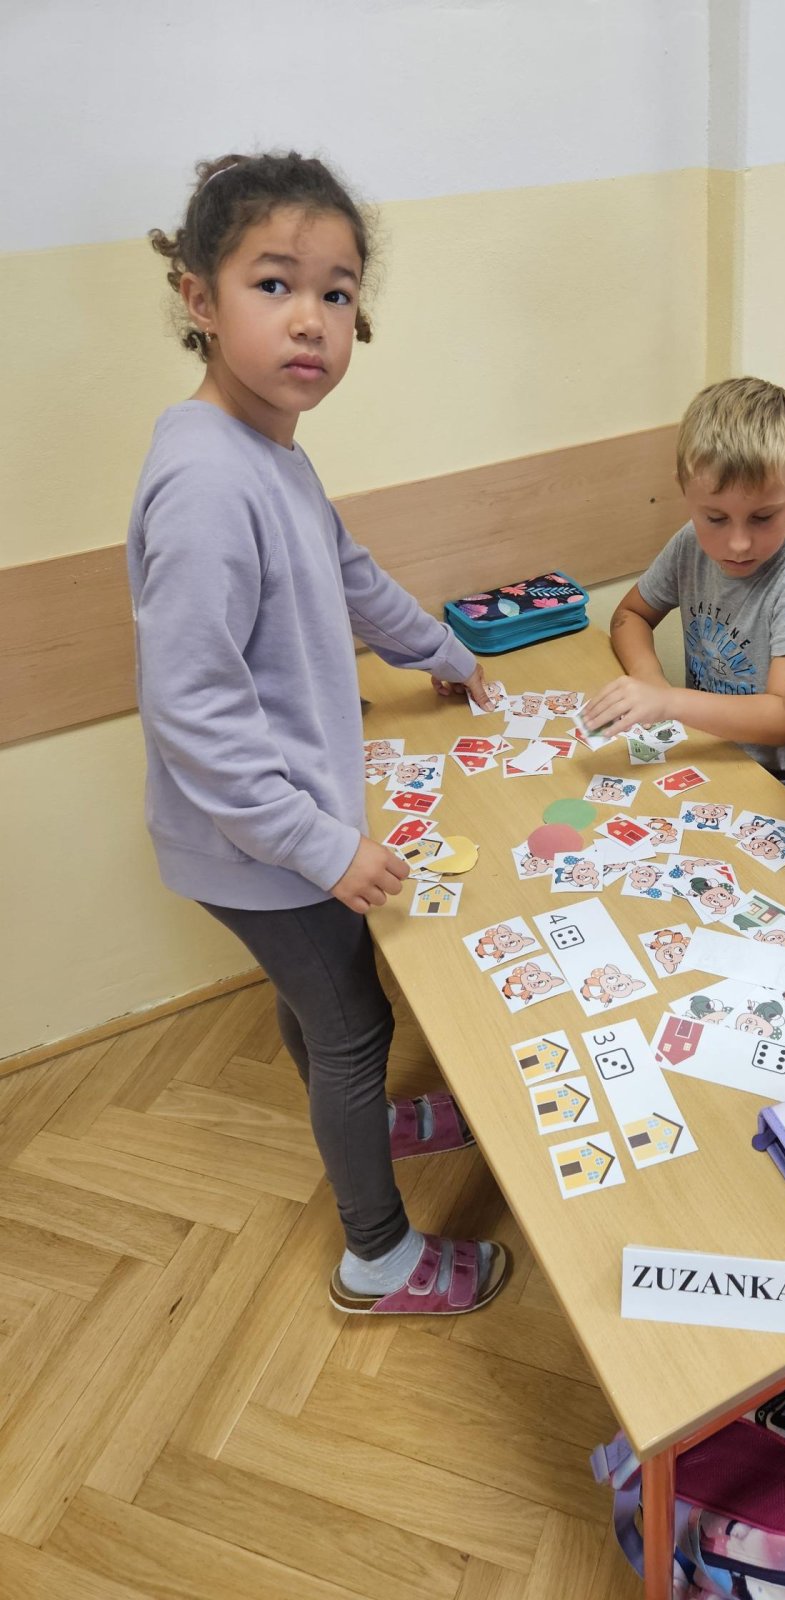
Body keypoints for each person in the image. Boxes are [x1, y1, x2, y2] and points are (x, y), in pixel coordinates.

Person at [128, 151, 508, 1317]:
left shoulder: (268, 448)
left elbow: (349, 573)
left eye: (336, 293)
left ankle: (371, 1126)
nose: (312, 320)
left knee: (318, 1001)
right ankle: (376, 1257)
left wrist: (441, 650)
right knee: (353, 1023)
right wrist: (321, 844)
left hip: (277, 829)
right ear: (199, 298)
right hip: (258, 842)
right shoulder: (207, 481)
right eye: (275, 284)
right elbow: (192, 710)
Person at [581, 377, 785, 811]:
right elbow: (631, 616)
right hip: (710, 751)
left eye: (763, 517)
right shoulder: (689, 544)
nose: (738, 544)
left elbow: (783, 717)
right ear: (684, 489)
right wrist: (650, 680)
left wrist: (670, 702)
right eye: (715, 518)